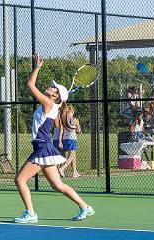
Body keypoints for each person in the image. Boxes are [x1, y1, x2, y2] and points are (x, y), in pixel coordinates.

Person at [13, 53, 94, 224]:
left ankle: (30, 213)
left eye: (53, 88)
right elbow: (56, 125)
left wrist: (37, 67)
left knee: (20, 180)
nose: (50, 87)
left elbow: (30, 84)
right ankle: (85, 206)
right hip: (45, 147)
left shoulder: (49, 104)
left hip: (42, 148)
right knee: (57, 185)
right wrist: (59, 106)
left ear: (56, 96)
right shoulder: (55, 107)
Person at [58, 105, 81, 178]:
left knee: (68, 155)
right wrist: (78, 130)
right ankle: (62, 168)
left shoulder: (63, 120)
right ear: (72, 112)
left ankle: (74, 172)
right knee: (72, 155)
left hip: (65, 139)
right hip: (72, 139)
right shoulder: (75, 119)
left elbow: (61, 131)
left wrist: (60, 141)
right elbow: (78, 130)